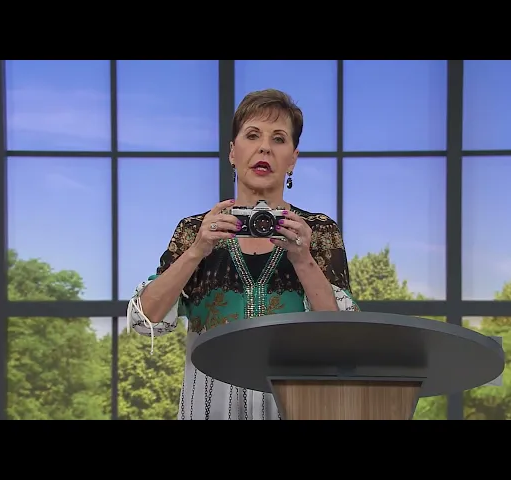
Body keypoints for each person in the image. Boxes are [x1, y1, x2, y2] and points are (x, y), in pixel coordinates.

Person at [126, 88, 360, 420]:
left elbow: (342, 339)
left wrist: (303, 259)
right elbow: (144, 319)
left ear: (293, 158)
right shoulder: (196, 230)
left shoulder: (318, 231)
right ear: (232, 152)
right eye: (252, 135)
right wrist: (197, 251)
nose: (264, 147)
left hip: (294, 405)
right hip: (208, 406)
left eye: (278, 139)